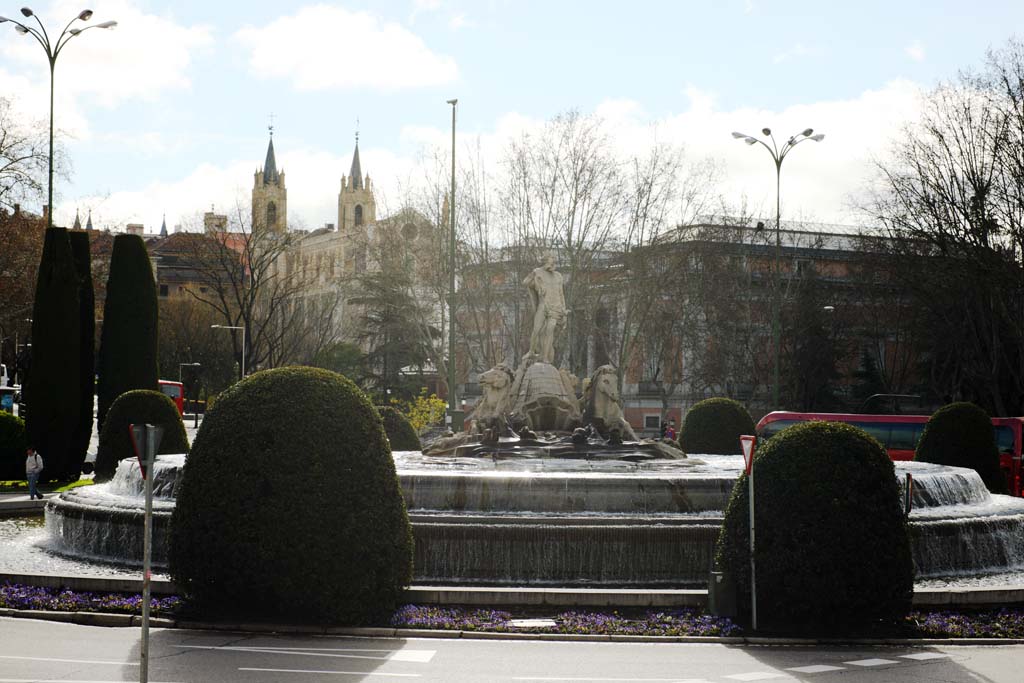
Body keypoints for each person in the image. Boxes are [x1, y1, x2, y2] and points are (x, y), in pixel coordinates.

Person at [523, 255, 567, 363]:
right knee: (536, 329)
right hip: (543, 304)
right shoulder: (537, 272)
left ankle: (545, 357)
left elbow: (561, 294)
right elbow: (525, 282)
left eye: (554, 263)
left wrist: (564, 310)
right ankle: (531, 351)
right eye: (551, 263)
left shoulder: (558, 276)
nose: (553, 265)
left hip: (556, 306)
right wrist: (536, 282)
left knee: (550, 330)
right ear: (545, 262)